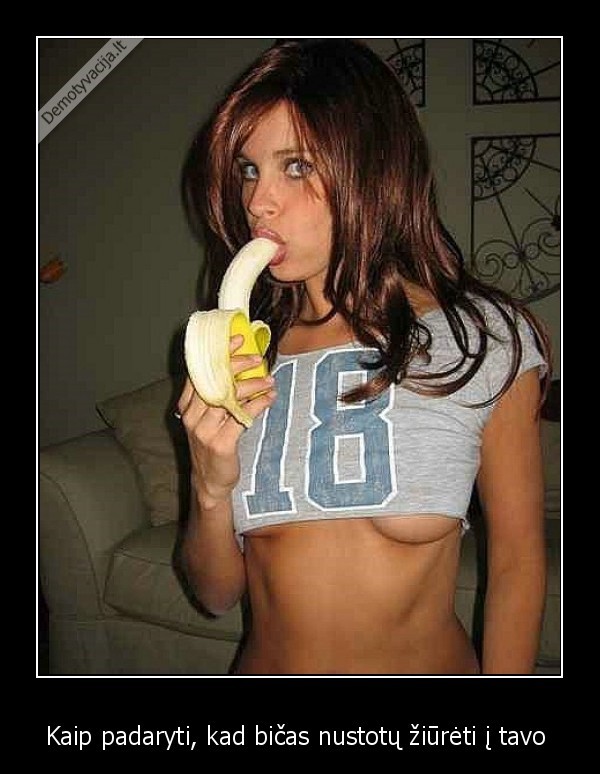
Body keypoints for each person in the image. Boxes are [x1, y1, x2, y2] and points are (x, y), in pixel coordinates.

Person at [176, 38, 552, 675]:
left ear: (373, 167)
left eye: (296, 165)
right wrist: (209, 488)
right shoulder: (240, 354)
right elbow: (215, 595)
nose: (259, 201)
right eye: (249, 170)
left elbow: (518, 561)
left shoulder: (483, 337)